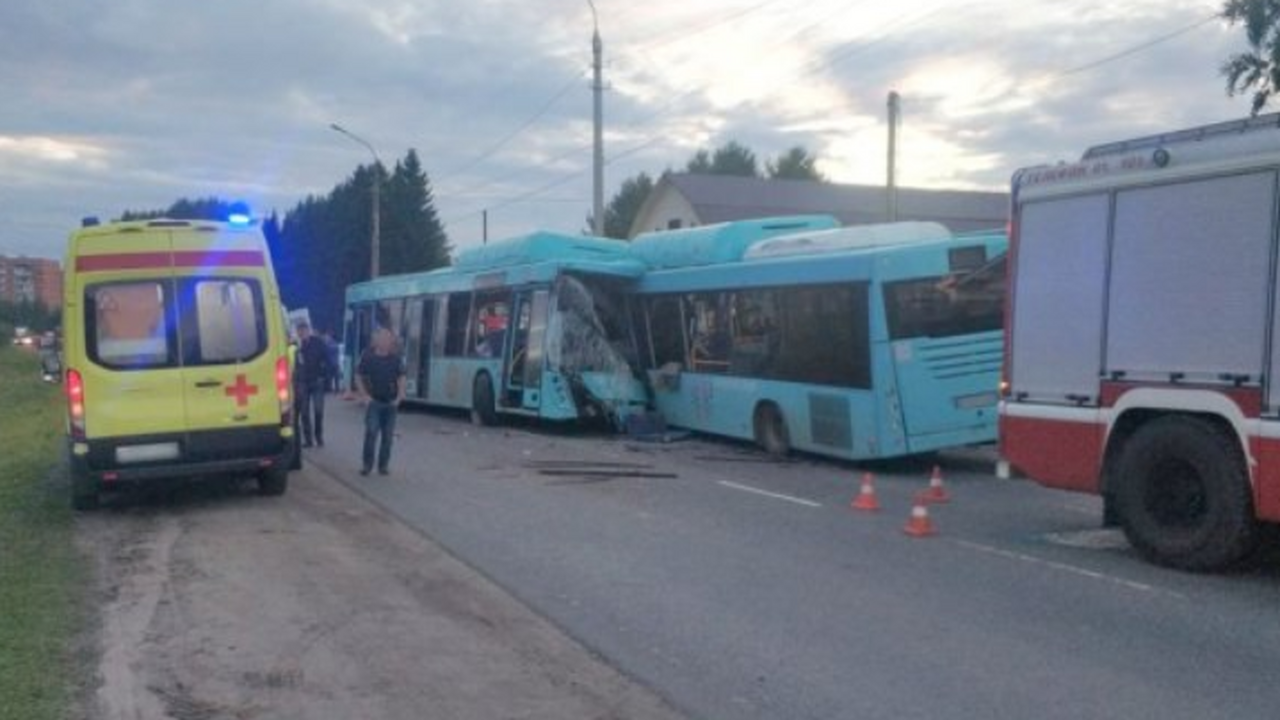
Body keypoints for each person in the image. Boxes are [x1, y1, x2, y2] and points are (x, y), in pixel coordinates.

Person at [355, 327, 406, 476]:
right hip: (374, 403)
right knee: (371, 433)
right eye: (383, 338)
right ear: (377, 341)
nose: (387, 341)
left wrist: (400, 396)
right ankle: (367, 465)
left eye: (389, 339)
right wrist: (364, 396)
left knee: (388, 437)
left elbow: (401, 376)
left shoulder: (396, 359)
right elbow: (358, 376)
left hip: (391, 403)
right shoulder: (368, 357)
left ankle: (383, 466)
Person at [293, 321, 332, 448]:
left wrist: (324, 376)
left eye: (304, 331)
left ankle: (319, 436)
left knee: (318, 411)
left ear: (308, 331)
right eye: (300, 331)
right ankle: (308, 440)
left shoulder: (318, 343)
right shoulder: (297, 346)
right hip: (303, 382)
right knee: (304, 412)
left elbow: (328, 359)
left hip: (317, 381)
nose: (302, 333)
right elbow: (294, 364)